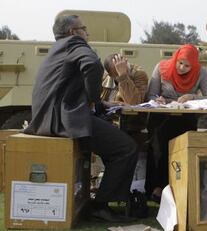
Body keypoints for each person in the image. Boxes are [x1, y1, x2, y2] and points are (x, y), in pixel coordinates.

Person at [24, 15, 138, 222]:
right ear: (73, 32)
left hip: (48, 119)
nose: (87, 33)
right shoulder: (75, 44)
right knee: (126, 148)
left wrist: (101, 105)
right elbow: (93, 64)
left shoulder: (58, 49)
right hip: (63, 121)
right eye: (84, 28)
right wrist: (94, 100)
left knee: (113, 144)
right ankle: (101, 205)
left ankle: (98, 198)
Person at [145, 44, 207, 202]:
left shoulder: (201, 73)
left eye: (187, 65)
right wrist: (157, 99)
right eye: (180, 63)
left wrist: (192, 97)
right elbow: (150, 95)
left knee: (182, 150)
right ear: (175, 59)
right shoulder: (161, 68)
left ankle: (181, 188)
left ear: (194, 65)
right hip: (161, 116)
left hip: (185, 118)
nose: (182, 68)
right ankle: (157, 188)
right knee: (159, 148)